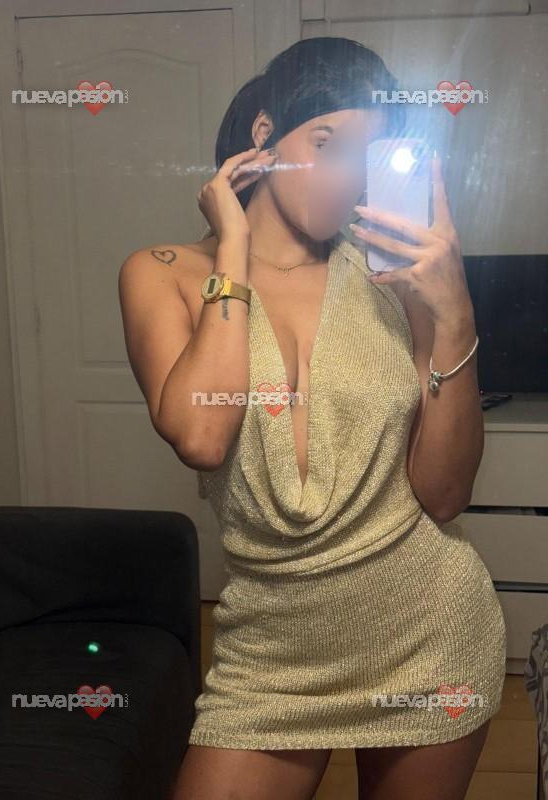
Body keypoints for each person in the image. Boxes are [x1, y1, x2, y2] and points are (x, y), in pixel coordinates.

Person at [118, 36, 507, 800]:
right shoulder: (165, 273)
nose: (346, 176)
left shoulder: (394, 278)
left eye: (368, 154)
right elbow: (202, 435)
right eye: (327, 144)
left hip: (427, 632)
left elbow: (445, 494)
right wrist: (234, 246)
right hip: (272, 656)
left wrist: (455, 311)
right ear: (265, 134)